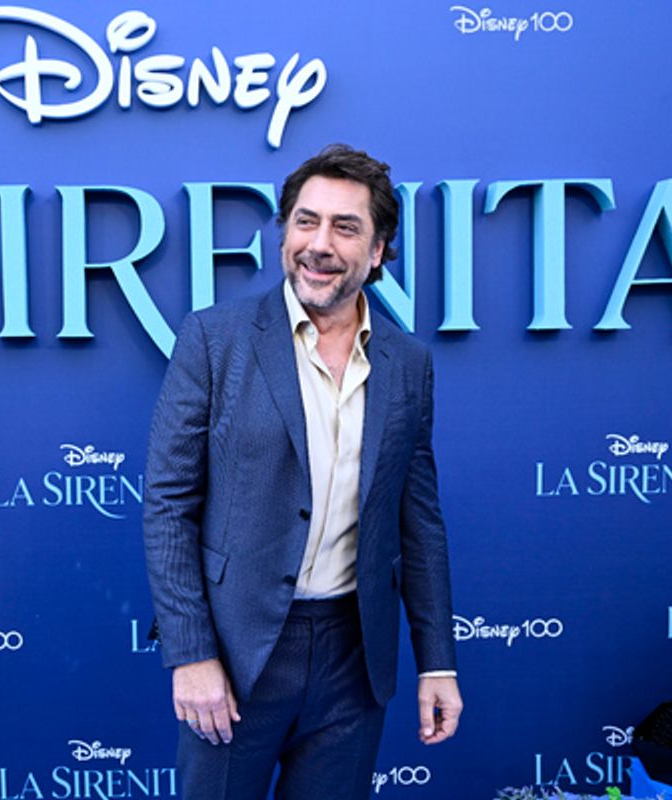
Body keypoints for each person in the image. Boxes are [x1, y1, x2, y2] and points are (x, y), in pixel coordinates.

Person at [142, 144, 463, 799]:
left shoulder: (408, 363)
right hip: (237, 652)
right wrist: (191, 652)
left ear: (377, 251)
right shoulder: (214, 339)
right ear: (285, 232)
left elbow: (418, 520)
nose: (320, 244)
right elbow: (169, 504)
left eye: (346, 227)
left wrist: (439, 664)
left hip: (355, 655)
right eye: (306, 221)